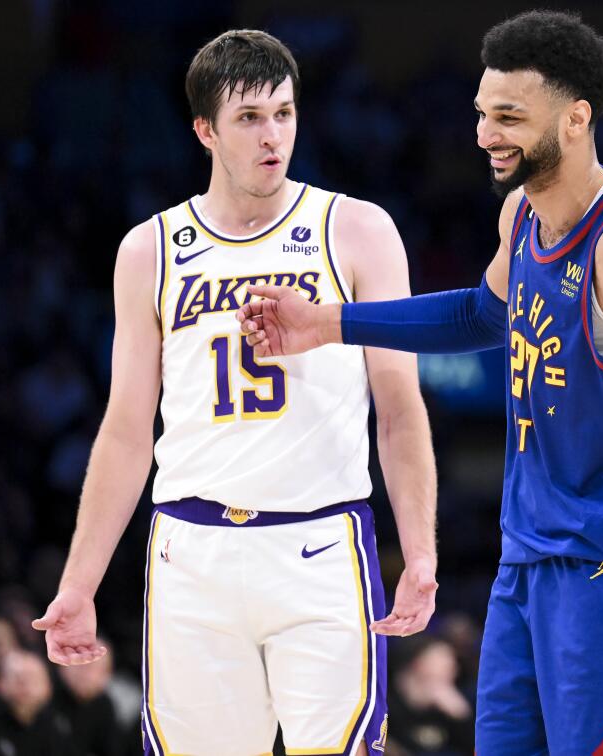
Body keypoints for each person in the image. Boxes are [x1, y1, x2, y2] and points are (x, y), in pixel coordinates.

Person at [238, 11, 603, 753]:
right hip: (529, 567)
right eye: (483, 114)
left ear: (576, 119)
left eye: (510, 116)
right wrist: (329, 323)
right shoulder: (520, 216)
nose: (487, 133)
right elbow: (483, 313)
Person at [31, 29, 438, 756]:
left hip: (320, 543)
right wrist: (78, 584)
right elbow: (126, 430)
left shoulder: (356, 230)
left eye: (283, 113)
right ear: (204, 130)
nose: (272, 135)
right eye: (249, 118)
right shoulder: (149, 249)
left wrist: (421, 551)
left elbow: (400, 410)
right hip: (190, 552)